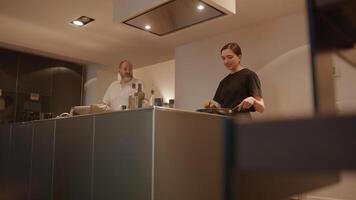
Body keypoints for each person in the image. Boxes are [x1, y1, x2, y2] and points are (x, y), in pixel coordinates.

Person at [205, 42, 265, 118]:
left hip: (242, 121)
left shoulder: (249, 75)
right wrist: (212, 107)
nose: (226, 61)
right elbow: (220, 110)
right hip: (225, 121)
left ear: (239, 57)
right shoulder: (224, 81)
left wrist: (253, 100)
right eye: (223, 58)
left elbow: (261, 108)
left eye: (230, 57)